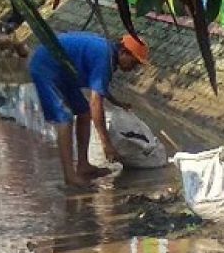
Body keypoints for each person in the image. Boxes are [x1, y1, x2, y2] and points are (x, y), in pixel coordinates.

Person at [28, 31, 148, 188]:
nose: (133, 68)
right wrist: (107, 144)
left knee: (84, 113)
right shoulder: (104, 58)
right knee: (64, 119)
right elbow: (96, 102)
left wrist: (116, 102)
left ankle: (83, 165)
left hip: (62, 72)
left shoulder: (106, 53)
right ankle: (70, 177)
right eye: (134, 62)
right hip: (46, 68)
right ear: (124, 52)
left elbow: (99, 86)